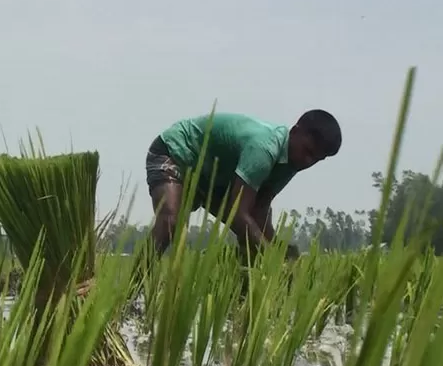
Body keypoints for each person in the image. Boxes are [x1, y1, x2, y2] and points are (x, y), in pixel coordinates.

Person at [145, 110, 342, 260]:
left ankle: (240, 297)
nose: (308, 162)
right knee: (171, 221)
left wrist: (279, 249)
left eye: (317, 159)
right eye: (307, 151)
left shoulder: (291, 164)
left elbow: (259, 211)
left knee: (254, 240)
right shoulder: (264, 149)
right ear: (295, 132)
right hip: (177, 153)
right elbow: (238, 213)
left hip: (213, 178)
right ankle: (132, 289)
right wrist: (272, 255)